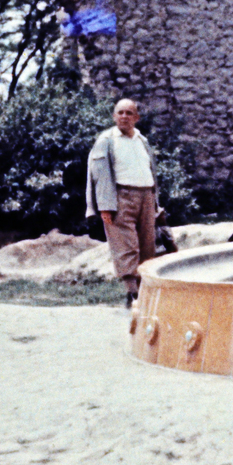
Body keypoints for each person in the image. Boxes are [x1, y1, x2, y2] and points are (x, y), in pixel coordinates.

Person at [86, 98, 159, 308]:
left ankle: (146, 291)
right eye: (120, 113)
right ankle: (132, 293)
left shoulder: (141, 140)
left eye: (129, 113)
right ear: (114, 116)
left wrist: (155, 203)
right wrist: (105, 206)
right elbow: (99, 175)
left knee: (147, 245)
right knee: (126, 246)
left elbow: (151, 170)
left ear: (136, 118)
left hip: (146, 196)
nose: (124, 117)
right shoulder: (106, 140)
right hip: (120, 197)